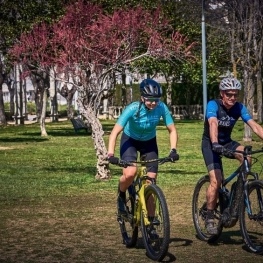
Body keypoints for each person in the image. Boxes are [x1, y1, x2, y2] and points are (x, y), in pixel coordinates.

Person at [107, 78, 179, 217]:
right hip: (130, 141)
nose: (153, 103)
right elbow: (115, 132)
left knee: (150, 183)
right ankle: (121, 194)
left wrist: (173, 150)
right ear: (142, 98)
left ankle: (151, 223)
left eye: (156, 100)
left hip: (149, 143)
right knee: (130, 173)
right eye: (149, 100)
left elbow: (172, 130)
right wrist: (111, 154)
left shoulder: (161, 107)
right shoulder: (133, 108)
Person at [202, 76, 263, 235]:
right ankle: (209, 216)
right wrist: (215, 144)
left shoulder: (239, 107)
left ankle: (238, 189)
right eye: (229, 94)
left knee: (247, 156)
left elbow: (255, 127)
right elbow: (213, 123)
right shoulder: (213, 105)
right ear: (222, 93)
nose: (232, 98)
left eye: (235, 94)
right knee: (216, 180)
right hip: (210, 144)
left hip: (227, 142)